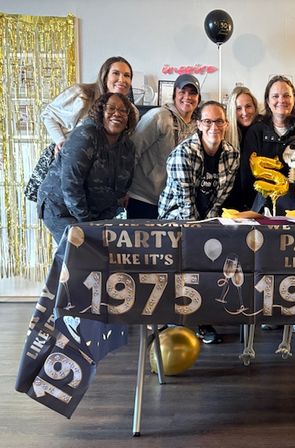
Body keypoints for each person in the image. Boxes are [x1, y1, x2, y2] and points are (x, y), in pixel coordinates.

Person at [158, 101, 240, 344]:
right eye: (207, 121)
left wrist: (210, 227)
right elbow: (185, 204)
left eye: (219, 121)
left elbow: (220, 197)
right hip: (176, 220)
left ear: (225, 124)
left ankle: (203, 320)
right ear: (198, 124)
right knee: (182, 270)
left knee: (207, 272)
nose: (213, 126)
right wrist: (199, 235)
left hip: (206, 220)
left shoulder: (232, 154)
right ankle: (175, 322)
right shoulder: (183, 154)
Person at [37, 93, 137, 243]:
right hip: (61, 207)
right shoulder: (85, 135)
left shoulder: (128, 147)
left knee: (98, 254)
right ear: (100, 112)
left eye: (123, 111)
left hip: (94, 213)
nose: (117, 113)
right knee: (77, 253)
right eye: (111, 108)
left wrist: (101, 222)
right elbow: (71, 186)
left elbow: (120, 191)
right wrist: (87, 224)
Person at [242, 75, 295, 216]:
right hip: (262, 208)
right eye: (275, 96)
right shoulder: (256, 132)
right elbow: (247, 177)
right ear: (267, 100)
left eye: (286, 96)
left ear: (293, 99)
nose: (281, 100)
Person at [127, 74, 200, 218]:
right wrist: (123, 190)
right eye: (182, 92)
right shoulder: (158, 116)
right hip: (144, 199)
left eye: (193, 93)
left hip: (176, 204)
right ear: (174, 94)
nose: (187, 97)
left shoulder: (199, 127)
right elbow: (132, 151)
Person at [41, 56, 134, 154]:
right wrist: (60, 141)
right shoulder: (82, 93)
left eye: (127, 75)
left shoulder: (132, 111)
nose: (122, 79)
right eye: (116, 73)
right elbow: (48, 115)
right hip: (66, 157)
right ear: (105, 76)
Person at [222, 85, 260, 211]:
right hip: (231, 206)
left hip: (258, 204)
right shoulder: (225, 135)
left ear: (255, 107)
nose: (244, 112)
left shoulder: (264, 133)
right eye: (239, 108)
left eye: (248, 106)